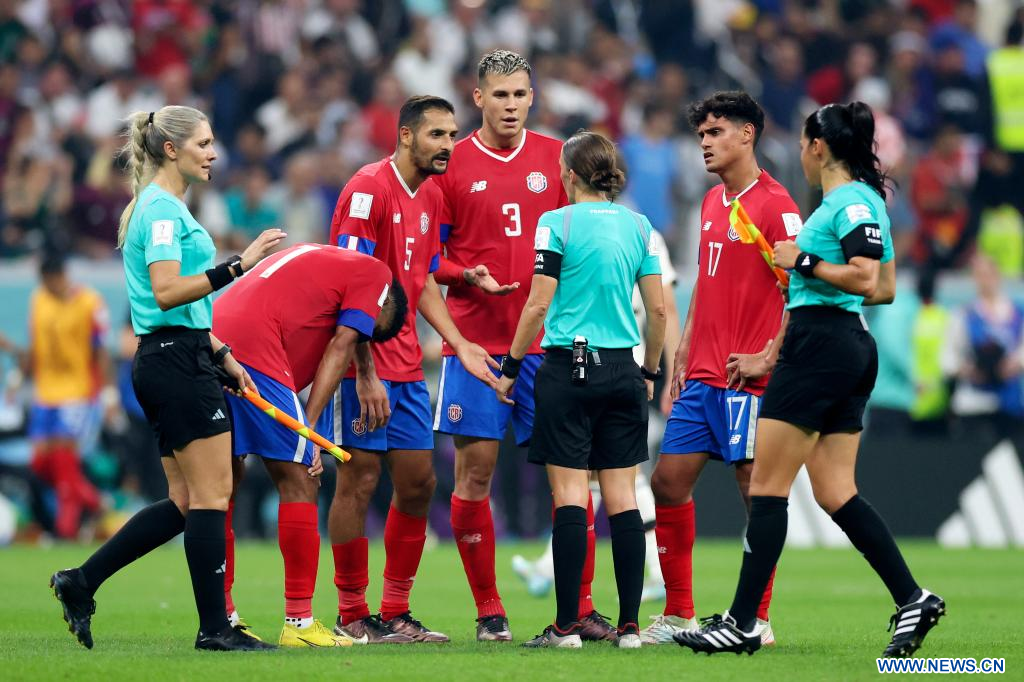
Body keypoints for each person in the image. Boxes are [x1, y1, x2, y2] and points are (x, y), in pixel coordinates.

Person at [674, 102, 945, 658]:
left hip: (818, 348)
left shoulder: (844, 203)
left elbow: (862, 278)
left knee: (767, 487)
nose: (800, 152)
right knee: (836, 491)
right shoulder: (868, 201)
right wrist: (804, 289)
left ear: (818, 146)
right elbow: (884, 288)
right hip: (847, 344)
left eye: (803, 143)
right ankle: (913, 597)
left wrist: (802, 262)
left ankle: (744, 623)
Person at [50, 105, 284, 652]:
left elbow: (178, 310)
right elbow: (166, 293)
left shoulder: (164, 206)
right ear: (171, 149)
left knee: (184, 501)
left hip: (178, 355)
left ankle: (81, 581)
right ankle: (215, 629)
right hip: (175, 362)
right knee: (213, 494)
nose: (214, 154)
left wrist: (220, 352)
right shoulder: (160, 210)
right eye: (203, 144)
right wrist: (239, 264)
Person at [431, 49, 614, 642]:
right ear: (478, 98)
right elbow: (429, 260)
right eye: (499, 95)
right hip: (476, 346)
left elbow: (585, 241)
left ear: (531, 97)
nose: (510, 106)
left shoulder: (558, 161)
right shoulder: (451, 165)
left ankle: (580, 606)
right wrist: (466, 275)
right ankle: (489, 610)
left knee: (572, 480)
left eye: (519, 95)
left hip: (549, 347)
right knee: (474, 476)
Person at [327, 95, 498, 644]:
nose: (448, 145)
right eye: (437, 135)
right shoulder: (367, 190)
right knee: (359, 478)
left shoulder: (430, 194)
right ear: (406, 136)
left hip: (404, 365)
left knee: (419, 483)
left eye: (452, 135)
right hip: (362, 364)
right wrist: (365, 372)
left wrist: (459, 338)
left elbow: (419, 277)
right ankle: (352, 614)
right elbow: (348, 283)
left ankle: (396, 611)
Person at [640, 92, 801, 645]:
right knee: (667, 482)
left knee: (755, 492)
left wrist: (769, 357)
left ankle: (756, 616)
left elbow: (803, 291)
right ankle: (679, 614)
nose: (705, 143)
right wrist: (683, 351)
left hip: (748, 376)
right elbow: (706, 284)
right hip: (703, 373)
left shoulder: (776, 206)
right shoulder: (712, 202)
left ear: (747, 133)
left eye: (716, 132)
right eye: (702, 135)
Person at [496, 130, 666, 649]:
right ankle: (630, 627)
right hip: (622, 369)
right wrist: (649, 371)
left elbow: (537, 304)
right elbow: (658, 310)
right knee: (623, 498)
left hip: (567, 368)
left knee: (571, 497)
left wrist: (511, 366)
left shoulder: (557, 222)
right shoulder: (640, 226)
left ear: (569, 175)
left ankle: (566, 626)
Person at [213, 244, 407, 648]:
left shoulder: (320, 260)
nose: (363, 334)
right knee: (301, 477)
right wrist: (309, 429)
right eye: (370, 329)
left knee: (221, 483)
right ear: (384, 301)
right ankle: (299, 623)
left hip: (216, 332)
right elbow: (342, 343)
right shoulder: (377, 274)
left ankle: (223, 616)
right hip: (255, 338)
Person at [510, 226, 682, 603]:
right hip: (631, 368)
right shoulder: (645, 232)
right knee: (607, 477)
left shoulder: (571, 226)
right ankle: (557, 570)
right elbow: (662, 308)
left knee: (607, 477)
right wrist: (666, 370)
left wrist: (512, 365)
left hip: (586, 364)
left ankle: (574, 587)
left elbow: (663, 309)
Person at [26, 252, 112, 540]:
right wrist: (20, 376)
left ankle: (66, 529)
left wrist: (107, 392)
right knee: (40, 463)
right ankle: (95, 501)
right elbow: (36, 345)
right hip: (44, 393)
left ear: (62, 276)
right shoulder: (38, 300)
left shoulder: (90, 302)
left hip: (77, 392)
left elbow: (101, 351)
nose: (48, 288)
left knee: (64, 460)